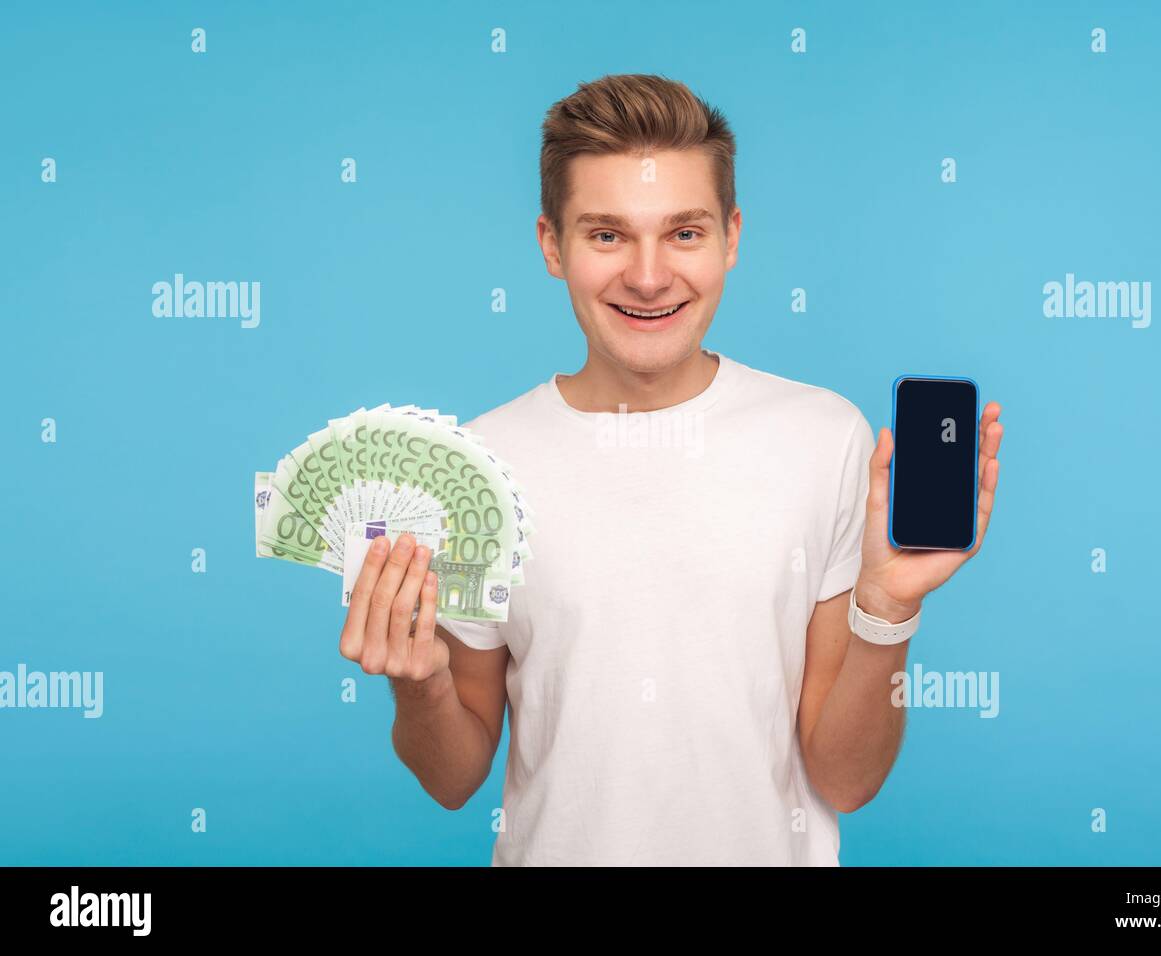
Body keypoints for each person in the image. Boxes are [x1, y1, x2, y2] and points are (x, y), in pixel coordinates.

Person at [337, 73, 1004, 865]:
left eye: (684, 233)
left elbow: (846, 780)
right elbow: (453, 778)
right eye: (607, 235)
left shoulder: (825, 438)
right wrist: (417, 683)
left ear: (732, 237)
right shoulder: (482, 468)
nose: (649, 277)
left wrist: (887, 609)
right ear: (552, 245)